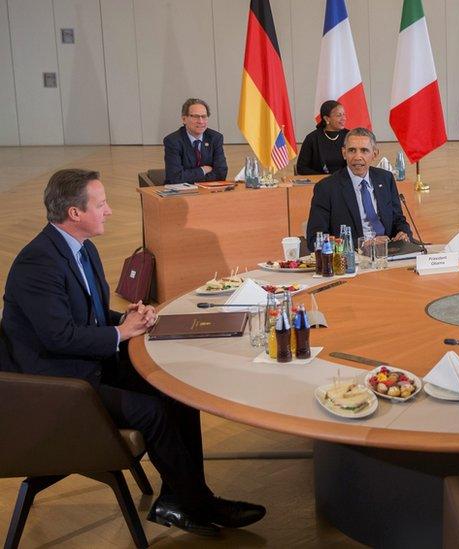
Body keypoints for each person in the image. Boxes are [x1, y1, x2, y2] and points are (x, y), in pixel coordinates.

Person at [1, 169, 265, 536]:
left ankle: (182, 498)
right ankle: (197, 504)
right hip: (56, 385)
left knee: (178, 390)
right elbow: (57, 337)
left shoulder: (83, 248)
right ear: (74, 213)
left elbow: (88, 315)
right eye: (101, 203)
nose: (109, 210)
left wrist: (127, 319)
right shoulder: (38, 263)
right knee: (154, 411)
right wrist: (120, 332)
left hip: (87, 363)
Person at [305, 127, 412, 245]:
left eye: (364, 150)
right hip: (354, 256)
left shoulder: (386, 178)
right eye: (352, 150)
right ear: (344, 153)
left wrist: (403, 232)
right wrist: (364, 244)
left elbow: (398, 219)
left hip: (390, 250)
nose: (357, 157)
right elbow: (314, 238)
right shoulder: (326, 188)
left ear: (374, 154)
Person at [163, 98, 228, 184]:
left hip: (209, 192)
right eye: (196, 116)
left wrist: (190, 177)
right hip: (181, 193)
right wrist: (203, 170)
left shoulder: (215, 138)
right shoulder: (173, 141)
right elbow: (175, 178)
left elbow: (221, 174)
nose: (200, 121)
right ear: (184, 119)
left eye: (204, 117)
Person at [296, 100, 349, 175]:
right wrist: (323, 178)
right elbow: (301, 168)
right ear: (327, 119)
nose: (344, 118)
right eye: (339, 115)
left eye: (344, 114)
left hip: (346, 181)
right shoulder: (312, 138)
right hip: (320, 183)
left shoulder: (350, 136)